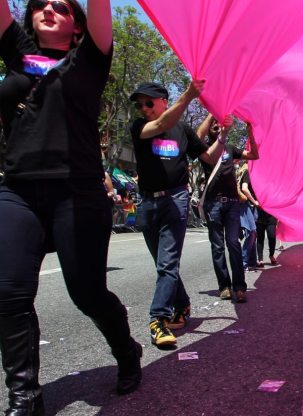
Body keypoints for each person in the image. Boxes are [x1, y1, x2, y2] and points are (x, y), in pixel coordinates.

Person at [0, 0, 142, 410]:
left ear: (77, 27)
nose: (48, 9)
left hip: (77, 192)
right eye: (40, 4)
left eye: (60, 6)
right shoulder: (21, 54)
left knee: (87, 293)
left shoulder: (89, 60)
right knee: (8, 292)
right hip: (19, 190)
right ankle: (25, 395)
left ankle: (126, 352)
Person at [129, 81, 225, 348]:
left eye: (149, 103)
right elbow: (158, 126)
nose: (144, 108)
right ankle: (182, 304)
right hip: (148, 203)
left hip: (175, 200)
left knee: (167, 264)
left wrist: (224, 135)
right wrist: (188, 96)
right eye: (140, 105)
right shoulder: (139, 127)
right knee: (162, 263)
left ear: (163, 100)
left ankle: (158, 319)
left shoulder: (182, 130)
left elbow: (208, 158)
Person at [197, 116, 258, 302]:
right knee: (217, 246)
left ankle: (239, 287)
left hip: (232, 203)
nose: (216, 125)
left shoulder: (230, 149)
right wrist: (211, 113)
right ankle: (224, 286)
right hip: (212, 204)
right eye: (212, 123)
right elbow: (197, 136)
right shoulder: (203, 149)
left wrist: (250, 132)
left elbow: (254, 155)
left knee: (233, 243)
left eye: (218, 122)